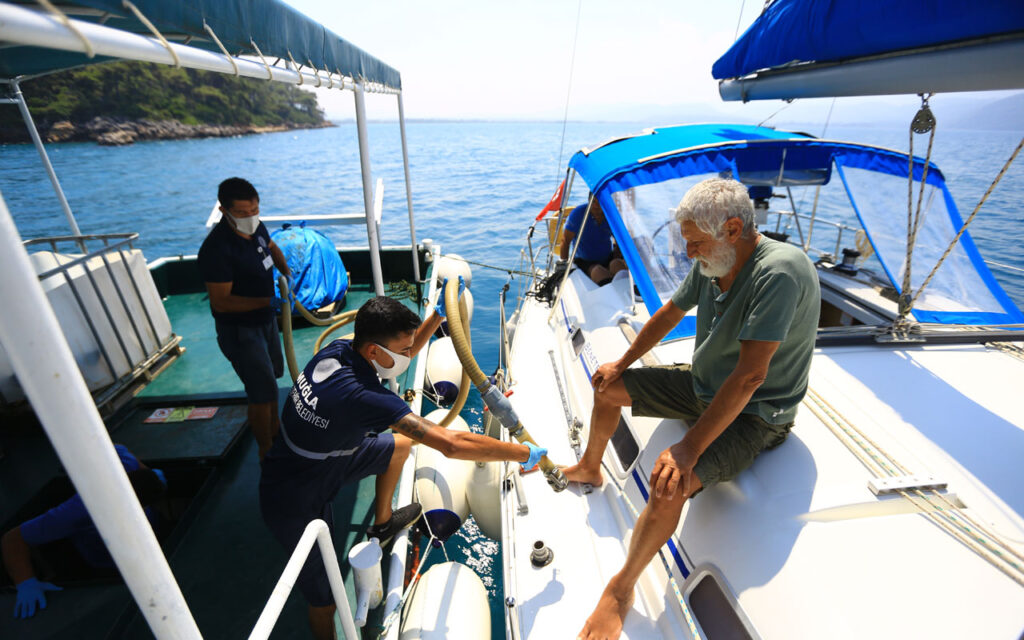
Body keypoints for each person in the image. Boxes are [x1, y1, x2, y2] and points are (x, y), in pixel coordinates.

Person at [565, 178, 820, 640]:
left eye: (696, 243)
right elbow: (668, 313)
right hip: (704, 384)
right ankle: (589, 467)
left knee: (670, 480)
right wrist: (621, 362)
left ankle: (620, 591)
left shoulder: (778, 272)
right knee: (608, 388)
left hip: (757, 413)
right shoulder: (712, 259)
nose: (689, 253)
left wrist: (688, 448)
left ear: (734, 228)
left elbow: (749, 378)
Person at [259, 286, 546, 640]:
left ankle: (381, 524)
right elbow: (452, 445)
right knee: (324, 601)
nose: (410, 354)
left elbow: (400, 357)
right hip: (293, 497)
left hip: (319, 459)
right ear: (375, 351)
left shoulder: (342, 349)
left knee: (399, 445)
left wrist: (437, 317)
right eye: (404, 349)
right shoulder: (363, 396)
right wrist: (523, 451)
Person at [1, 445, 166, 619]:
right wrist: (26, 583)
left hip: (144, 537)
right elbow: (13, 539)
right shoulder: (76, 512)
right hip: (105, 562)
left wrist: (152, 476)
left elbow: (118, 450)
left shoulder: (123, 463)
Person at [198, 177, 292, 460]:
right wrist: (269, 300)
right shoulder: (217, 250)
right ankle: (266, 451)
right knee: (260, 392)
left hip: (265, 322)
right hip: (240, 331)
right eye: (242, 213)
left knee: (272, 380)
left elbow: (272, 247)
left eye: (254, 211)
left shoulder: (257, 228)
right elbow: (221, 301)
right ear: (224, 210)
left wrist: (286, 274)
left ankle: (276, 432)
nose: (250, 218)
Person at [559, 196, 628, 285]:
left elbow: (619, 239)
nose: (596, 205)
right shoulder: (578, 214)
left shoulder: (611, 214)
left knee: (617, 264)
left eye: (599, 202)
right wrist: (564, 264)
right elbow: (565, 241)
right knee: (598, 271)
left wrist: (616, 256)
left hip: (607, 256)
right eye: (593, 201)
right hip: (584, 261)